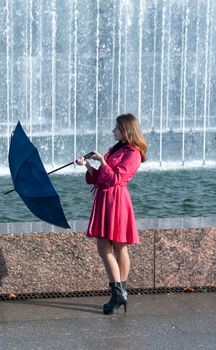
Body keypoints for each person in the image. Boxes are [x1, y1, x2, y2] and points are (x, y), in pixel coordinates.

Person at [75, 113, 147, 315]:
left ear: (126, 130)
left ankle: (118, 292)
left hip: (116, 201)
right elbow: (101, 179)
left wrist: (103, 162)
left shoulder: (133, 153)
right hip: (106, 199)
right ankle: (119, 294)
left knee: (116, 247)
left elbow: (116, 178)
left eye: (116, 128)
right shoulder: (116, 149)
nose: (113, 131)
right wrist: (88, 165)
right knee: (111, 246)